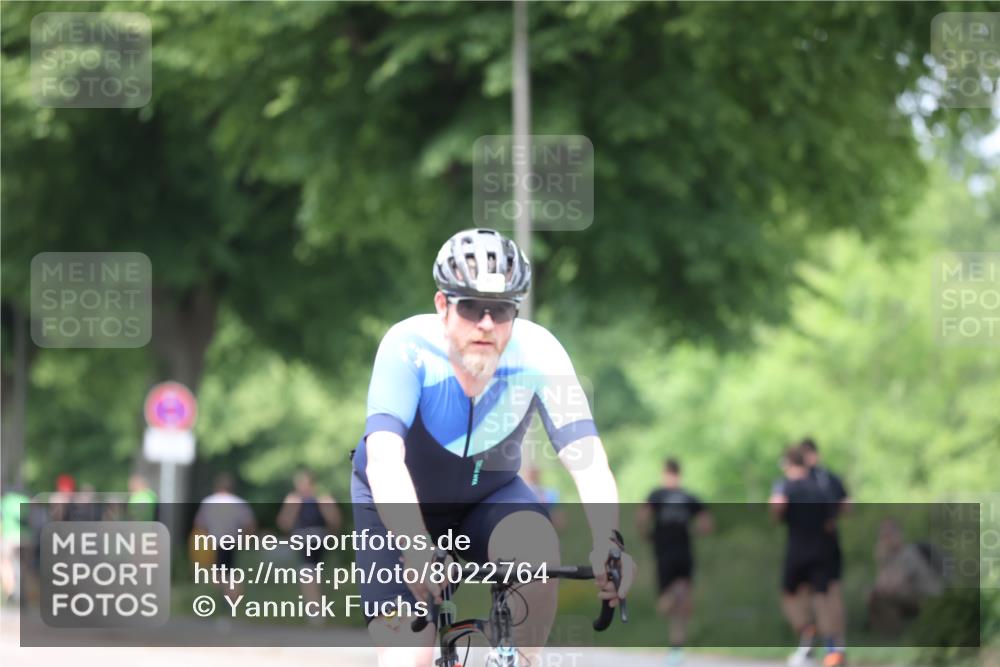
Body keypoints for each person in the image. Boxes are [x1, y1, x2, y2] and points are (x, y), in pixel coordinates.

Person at [349, 228, 635, 667]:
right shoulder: (407, 347)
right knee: (410, 653)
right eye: (470, 307)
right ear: (442, 305)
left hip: (488, 498)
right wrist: (415, 545)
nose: (486, 323)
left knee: (536, 549)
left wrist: (608, 543)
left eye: (500, 310)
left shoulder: (540, 354)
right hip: (394, 503)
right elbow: (386, 460)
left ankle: (518, 660)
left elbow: (588, 461)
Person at [769, 446, 839, 667]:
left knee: (789, 596)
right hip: (822, 552)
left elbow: (777, 510)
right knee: (821, 599)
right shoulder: (820, 489)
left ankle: (807, 631)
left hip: (798, 551)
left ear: (789, 464)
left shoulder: (785, 486)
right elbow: (831, 524)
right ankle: (831, 652)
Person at [638, 458, 712, 665]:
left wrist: (648, 536)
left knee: (664, 605)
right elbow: (707, 525)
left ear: (665, 473)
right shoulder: (689, 497)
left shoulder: (657, 495)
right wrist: (692, 532)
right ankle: (676, 647)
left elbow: (642, 518)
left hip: (664, 553)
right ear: (679, 473)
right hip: (685, 552)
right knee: (681, 606)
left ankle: (676, 647)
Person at [800, 437, 849, 667]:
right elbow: (847, 505)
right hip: (824, 543)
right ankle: (831, 648)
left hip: (813, 545)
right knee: (824, 595)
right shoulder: (829, 478)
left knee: (820, 596)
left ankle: (831, 648)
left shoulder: (807, 480)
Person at [277, 469, 342, 624]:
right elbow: (284, 523)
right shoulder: (293, 499)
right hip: (303, 539)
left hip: (318, 538)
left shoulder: (322, 498)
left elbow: (335, 522)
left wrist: (326, 507)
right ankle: (315, 609)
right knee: (309, 573)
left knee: (313, 574)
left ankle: (316, 609)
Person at [866, 519, 944, 636]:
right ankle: (885, 634)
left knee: (881, 596)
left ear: (899, 535)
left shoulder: (909, 554)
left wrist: (881, 562)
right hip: (911, 598)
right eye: (882, 537)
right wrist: (882, 563)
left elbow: (891, 587)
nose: (886, 540)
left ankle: (893, 634)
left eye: (889, 535)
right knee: (873, 594)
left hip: (928, 600)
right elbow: (881, 585)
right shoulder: (892, 556)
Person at [193, 473, 256, 605]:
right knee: (229, 571)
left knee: (219, 572)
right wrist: (247, 539)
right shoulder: (239, 503)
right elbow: (249, 524)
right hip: (232, 540)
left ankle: (226, 598)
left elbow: (199, 524)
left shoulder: (209, 502)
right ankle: (231, 597)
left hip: (212, 541)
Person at [0, 485, 30, 604]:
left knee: (5, 563)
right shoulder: (25, 499)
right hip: (25, 538)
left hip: (10, 537)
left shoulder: (5, 501)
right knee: (23, 565)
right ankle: (23, 591)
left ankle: (11, 590)